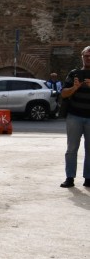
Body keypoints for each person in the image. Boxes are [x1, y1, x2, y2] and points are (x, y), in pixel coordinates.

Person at [60, 47, 90, 187]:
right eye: (86, 55)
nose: (88, 58)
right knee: (72, 148)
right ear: (82, 56)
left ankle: (88, 178)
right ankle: (70, 178)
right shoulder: (74, 73)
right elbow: (64, 94)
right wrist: (74, 88)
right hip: (74, 116)